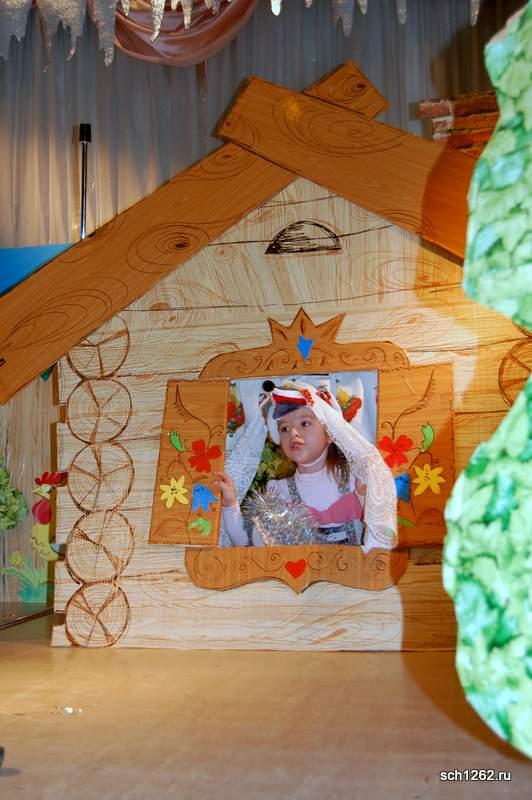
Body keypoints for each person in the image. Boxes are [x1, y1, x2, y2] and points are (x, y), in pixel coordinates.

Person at [214, 380, 397, 553]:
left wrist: (365, 496)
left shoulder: (355, 480)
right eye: (284, 428)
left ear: (330, 432)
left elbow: (380, 533)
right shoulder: (278, 491)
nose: (293, 433)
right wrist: (231, 505)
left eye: (305, 423)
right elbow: (250, 545)